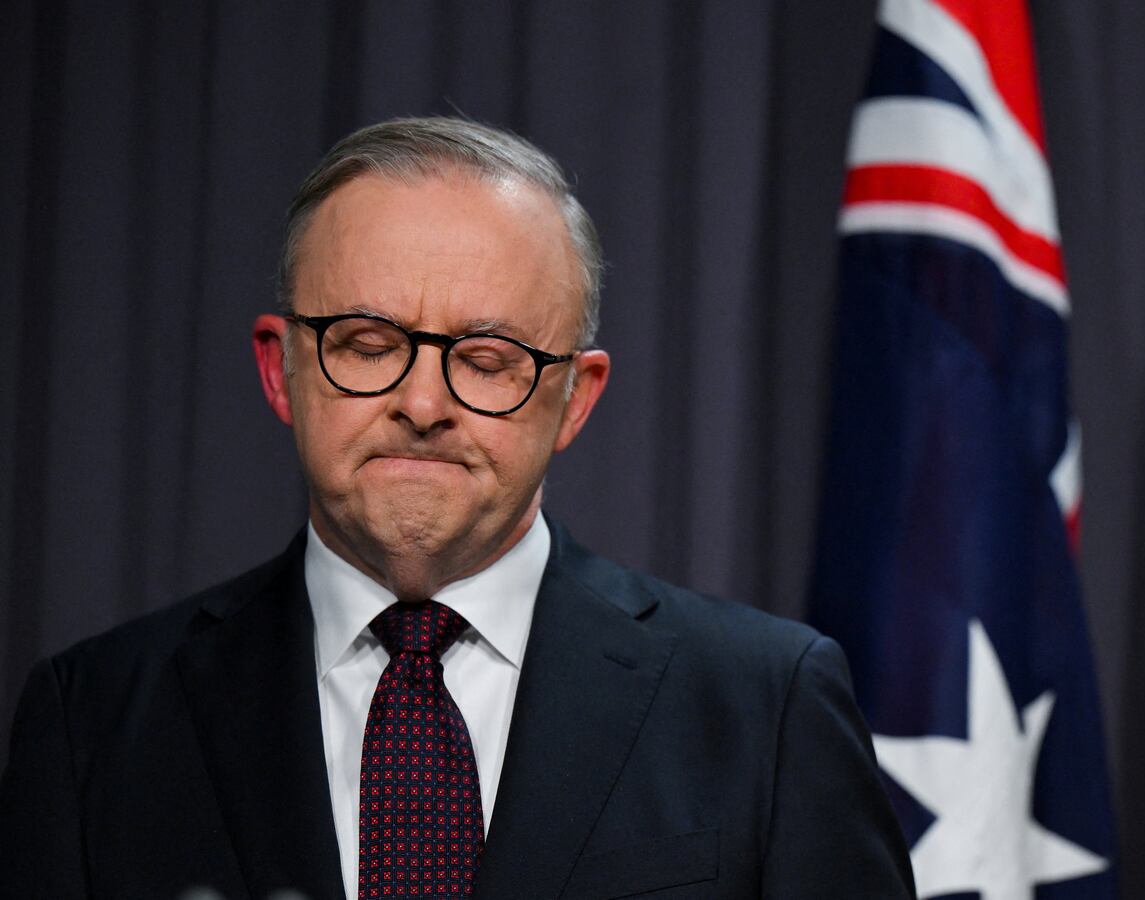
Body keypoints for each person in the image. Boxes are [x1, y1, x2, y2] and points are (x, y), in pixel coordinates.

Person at [0, 116, 914, 899]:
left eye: (485, 361)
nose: (425, 405)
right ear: (281, 370)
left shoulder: (766, 705)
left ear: (575, 399)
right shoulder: (94, 721)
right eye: (366, 344)